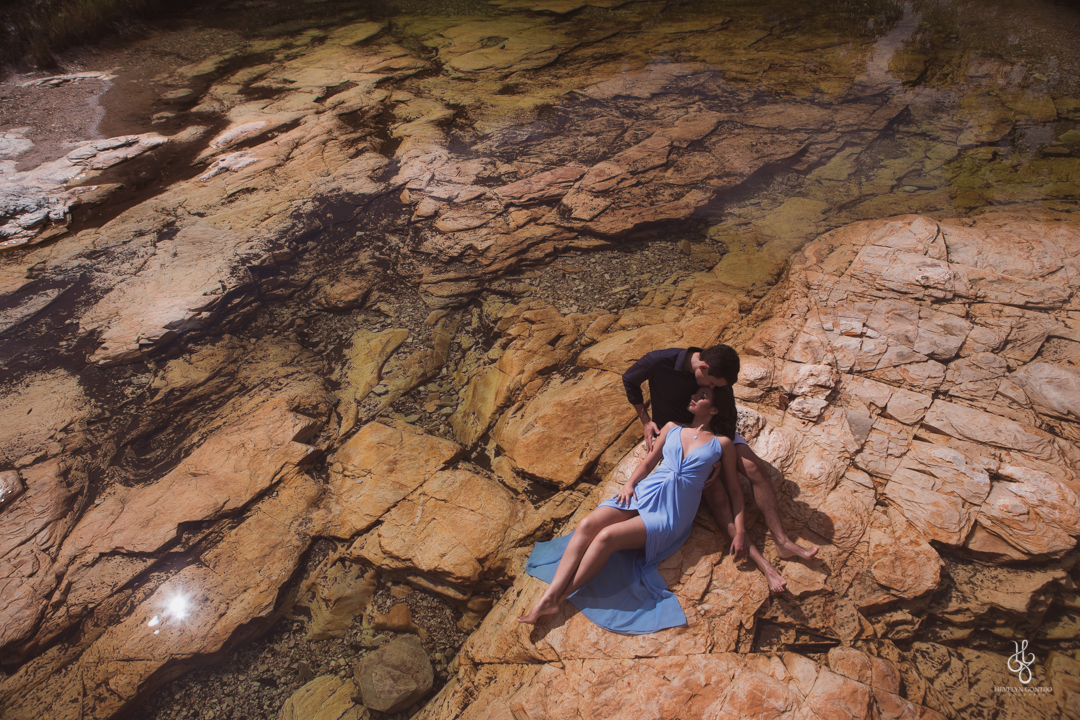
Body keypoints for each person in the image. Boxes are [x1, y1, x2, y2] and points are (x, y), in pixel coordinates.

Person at [517, 386, 744, 632]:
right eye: (696, 392)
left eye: (703, 396)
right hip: (645, 492)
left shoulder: (722, 444)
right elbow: (648, 463)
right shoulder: (672, 428)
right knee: (587, 524)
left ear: (714, 409)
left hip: (670, 513)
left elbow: (734, 491)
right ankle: (550, 595)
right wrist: (629, 484)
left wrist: (740, 531)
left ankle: (559, 598)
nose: (694, 396)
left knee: (606, 537)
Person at [623, 345, 817, 593]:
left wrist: (718, 456)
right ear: (703, 368)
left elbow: (728, 411)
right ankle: (763, 565)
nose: (714, 387)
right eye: (712, 384)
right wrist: (646, 421)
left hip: (715, 432)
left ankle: (782, 541)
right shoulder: (659, 361)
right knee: (716, 494)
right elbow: (630, 379)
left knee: (755, 468)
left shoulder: (719, 367)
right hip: (681, 437)